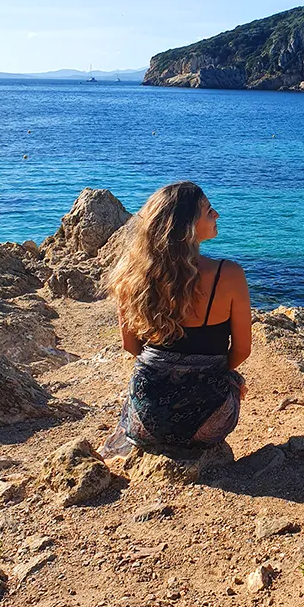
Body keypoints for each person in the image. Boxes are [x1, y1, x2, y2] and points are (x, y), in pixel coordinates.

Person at [101, 181, 252, 458]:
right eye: (208, 211)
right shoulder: (228, 275)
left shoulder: (132, 275)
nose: (217, 214)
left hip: (147, 421)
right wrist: (215, 373)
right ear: (187, 226)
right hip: (207, 424)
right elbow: (242, 350)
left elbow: (132, 346)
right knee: (234, 380)